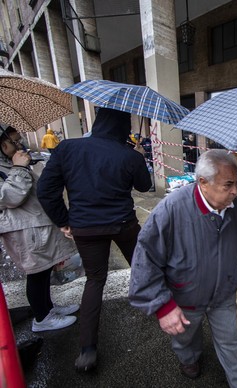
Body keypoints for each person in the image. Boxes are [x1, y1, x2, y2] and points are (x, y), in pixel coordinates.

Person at [129, 149, 237, 386]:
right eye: (228, 185)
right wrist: (162, 306)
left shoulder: (236, 208)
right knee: (185, 339)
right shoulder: (171, 210)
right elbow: (145, 260)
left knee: (232, 344)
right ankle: (189, 358)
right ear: (203, 182)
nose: (235, 192)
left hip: (223, 295)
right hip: (185, 296)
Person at [36, 108, 152, 372]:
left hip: (85, 229)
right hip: (124, 225)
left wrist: (64, 220)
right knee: (143, 266)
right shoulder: (129, 155)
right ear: (123, 127)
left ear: (98, 123)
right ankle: (158, 308)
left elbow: (45, 190)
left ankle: (88, 350)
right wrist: (139, 158)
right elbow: (144, 187)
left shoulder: (67, 149)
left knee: (95, 280)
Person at [0, 126, 79, 333]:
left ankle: (48, 309)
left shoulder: (9, 163)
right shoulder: (10, 166)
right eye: (15, 141)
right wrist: (19, 169)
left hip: (33, 224)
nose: (20, 144)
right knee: (36, 273)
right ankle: (42, 318)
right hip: (22, 229)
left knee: (44, 269)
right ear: (3, 145)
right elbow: (8, 198)